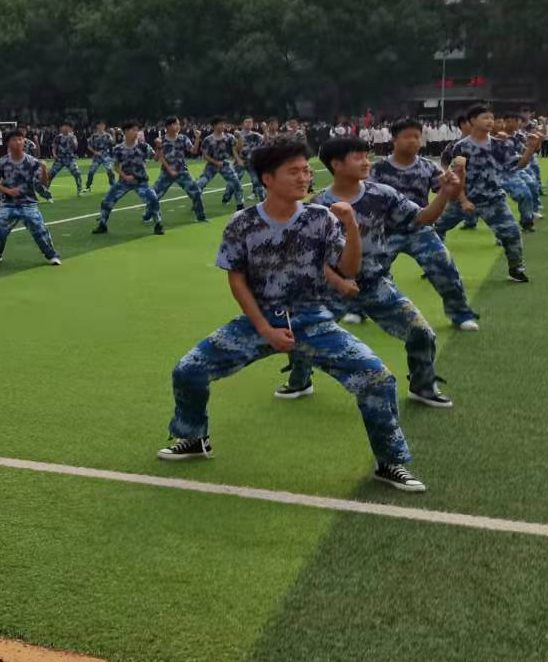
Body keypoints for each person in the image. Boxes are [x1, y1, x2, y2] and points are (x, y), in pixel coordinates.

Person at [159, 138, 425, 493]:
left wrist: (351, 226)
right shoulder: (243, 223)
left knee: (377, 378)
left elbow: (348, 269)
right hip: (261, 320)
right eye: (293, 172)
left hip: (312, 319)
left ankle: (389, 462)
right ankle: (193, 438)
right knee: (189, 370)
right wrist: (265, 329)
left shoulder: (320, 218)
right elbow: (237, 280)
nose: (304, 178)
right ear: (268, 178)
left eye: (305, 171)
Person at [275, 136, 461, 409]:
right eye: (358, 156)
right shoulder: (318, 206)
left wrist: (444, 193)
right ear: (337, 165)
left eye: (367, 155)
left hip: (375, 283)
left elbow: (422, 218)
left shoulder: (382, 194)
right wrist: (339, 283)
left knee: (421, 333)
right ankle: (300, 379)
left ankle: (423, 385)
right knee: (303, 332)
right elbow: (309, 257)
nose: (367, 161)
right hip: (331, 288)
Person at [369, 119, 480, 332]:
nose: (413, 141)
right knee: (368, 271)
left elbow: (452, 194)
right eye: (407, 136)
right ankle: (358, 309)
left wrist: (460, 174)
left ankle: (460, 314)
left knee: (445, 267)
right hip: (385, 231)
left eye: (417, 136)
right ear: (394, 139)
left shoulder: (428, 167)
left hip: (420, 229)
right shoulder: (379, 169)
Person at [435, 105, 541, 283]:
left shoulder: (501, 145)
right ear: (472, 121)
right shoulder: (461, 147)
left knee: (512, 233)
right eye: (485, 118)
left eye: (491, 118)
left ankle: (516, 268)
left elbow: (519, 164)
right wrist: (463, 200)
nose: (490, 121)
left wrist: (531, 148)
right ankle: (437, 267)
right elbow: (455, 176)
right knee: (436, 229)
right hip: (464, 199)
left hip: (493, 200)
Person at [0, 129, 62, 267]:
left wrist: (44, 169)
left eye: (21, 139)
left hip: (28, 203)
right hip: (8, 204)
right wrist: (8, 191)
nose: (18, 142)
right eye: (14, 139)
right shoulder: (1, 162)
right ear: (8, 143)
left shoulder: (32, 162)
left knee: (40, 230)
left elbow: (44, 183)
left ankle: (52, 255)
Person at [93, 123, 165, 236]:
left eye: (137, 130)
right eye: (133, 130)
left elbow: (156, 158)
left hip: (141, 181)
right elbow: (116, 166)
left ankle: (158, 224)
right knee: (107, 201)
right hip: (124, 182)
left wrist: (159, 147)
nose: (136, 133)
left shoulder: (143, 146)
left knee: (153, 199)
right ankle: (102, 224)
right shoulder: (119, 149)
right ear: (125, 132)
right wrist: (125, 176)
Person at [147, 117, 207, 223]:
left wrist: (197, 138)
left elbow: (193, 151)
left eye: (178, 124)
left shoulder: (183, 138)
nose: (179, 126)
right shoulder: (162, 140)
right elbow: (156, 158)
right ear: (169, 126)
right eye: (176, 124)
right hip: (166, 172)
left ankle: (201, 217)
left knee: (196, 192)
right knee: (154, 195)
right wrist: (158, 146)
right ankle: (148, 215)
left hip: (182, 171)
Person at [195, 119, 246, 208]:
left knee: (236, 182)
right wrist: (216, 162)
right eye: (220, 124)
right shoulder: (208, 139)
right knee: (200, 183)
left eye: (223, 124)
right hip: (211, 165)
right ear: (214, 126)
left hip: (225, 164)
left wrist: (240, 138)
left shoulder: (229, 137)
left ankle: (240, 203)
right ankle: (197, 203)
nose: (223, 126)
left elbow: (238, 148)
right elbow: (205, 155)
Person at [44, 123, 84, 198]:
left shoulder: (73, 137)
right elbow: (54, 147)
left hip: (70, 158)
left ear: (68, 128)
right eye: (63, 127)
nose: (64, 128)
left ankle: (79, 189)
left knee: (77, 173)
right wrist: (54, 154)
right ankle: (45, 191)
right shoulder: (58, 137)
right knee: (50, 174)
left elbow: (75, 147)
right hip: (59, 159)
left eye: (66, 127)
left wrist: (72, 141)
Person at [85, 121, 118, 190]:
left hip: (106, 155)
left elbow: (113, 143)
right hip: (96, 157)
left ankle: (112, 185)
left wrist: (114, 133)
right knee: (91, 171)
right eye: (100, 125)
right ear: (97, 126)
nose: (102, 126)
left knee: (109, 170)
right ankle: (88, 186)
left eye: (103, 125)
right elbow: (88, 146)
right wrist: (94, 152)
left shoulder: (107, 135)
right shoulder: (94, 136)